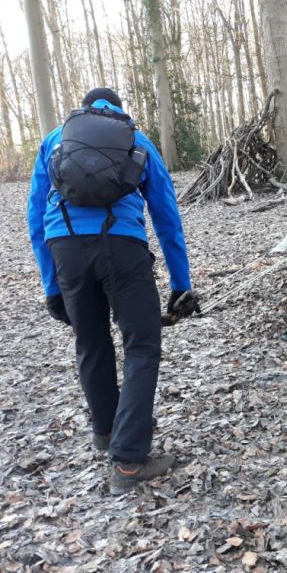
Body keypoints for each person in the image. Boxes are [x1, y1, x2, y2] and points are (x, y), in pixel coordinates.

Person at [27, 88, 193, 494]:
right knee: (141, 346)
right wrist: (180, 283)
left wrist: (51, 284)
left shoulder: (56, 138)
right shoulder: (137, 139)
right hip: (122, 248)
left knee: (91, 341)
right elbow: (166, 214)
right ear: (120, 109)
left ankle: (106, 431)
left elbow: (35, 214)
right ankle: (130, 462)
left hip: (64, 247)